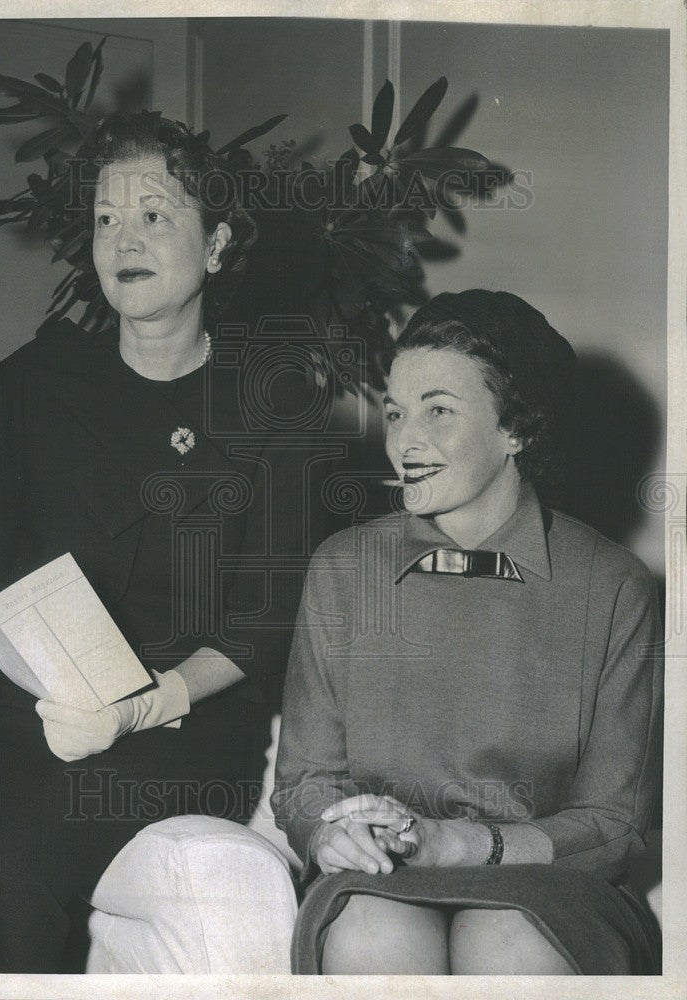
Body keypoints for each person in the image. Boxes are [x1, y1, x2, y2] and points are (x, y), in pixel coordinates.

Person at [0, 113, 320, 973]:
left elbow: (262, 617)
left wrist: (142, 705)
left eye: (155, 216)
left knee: (14, 846)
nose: (121, 241)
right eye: (105, 219)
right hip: (28, 711)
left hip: (183, 726)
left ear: (216, 245)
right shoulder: (38, 381)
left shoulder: (270, 404)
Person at [272, 289, 663, 975]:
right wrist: (333, 834)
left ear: (517, 428)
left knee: (509, 941)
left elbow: (612, 821)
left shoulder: (615, 587)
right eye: (395, 413)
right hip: (378, 881)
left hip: (550, 887)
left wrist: (461, 844)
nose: (405, 442)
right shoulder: (341, 569)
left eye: (440, 412)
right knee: (370, 935)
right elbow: (306, 779)